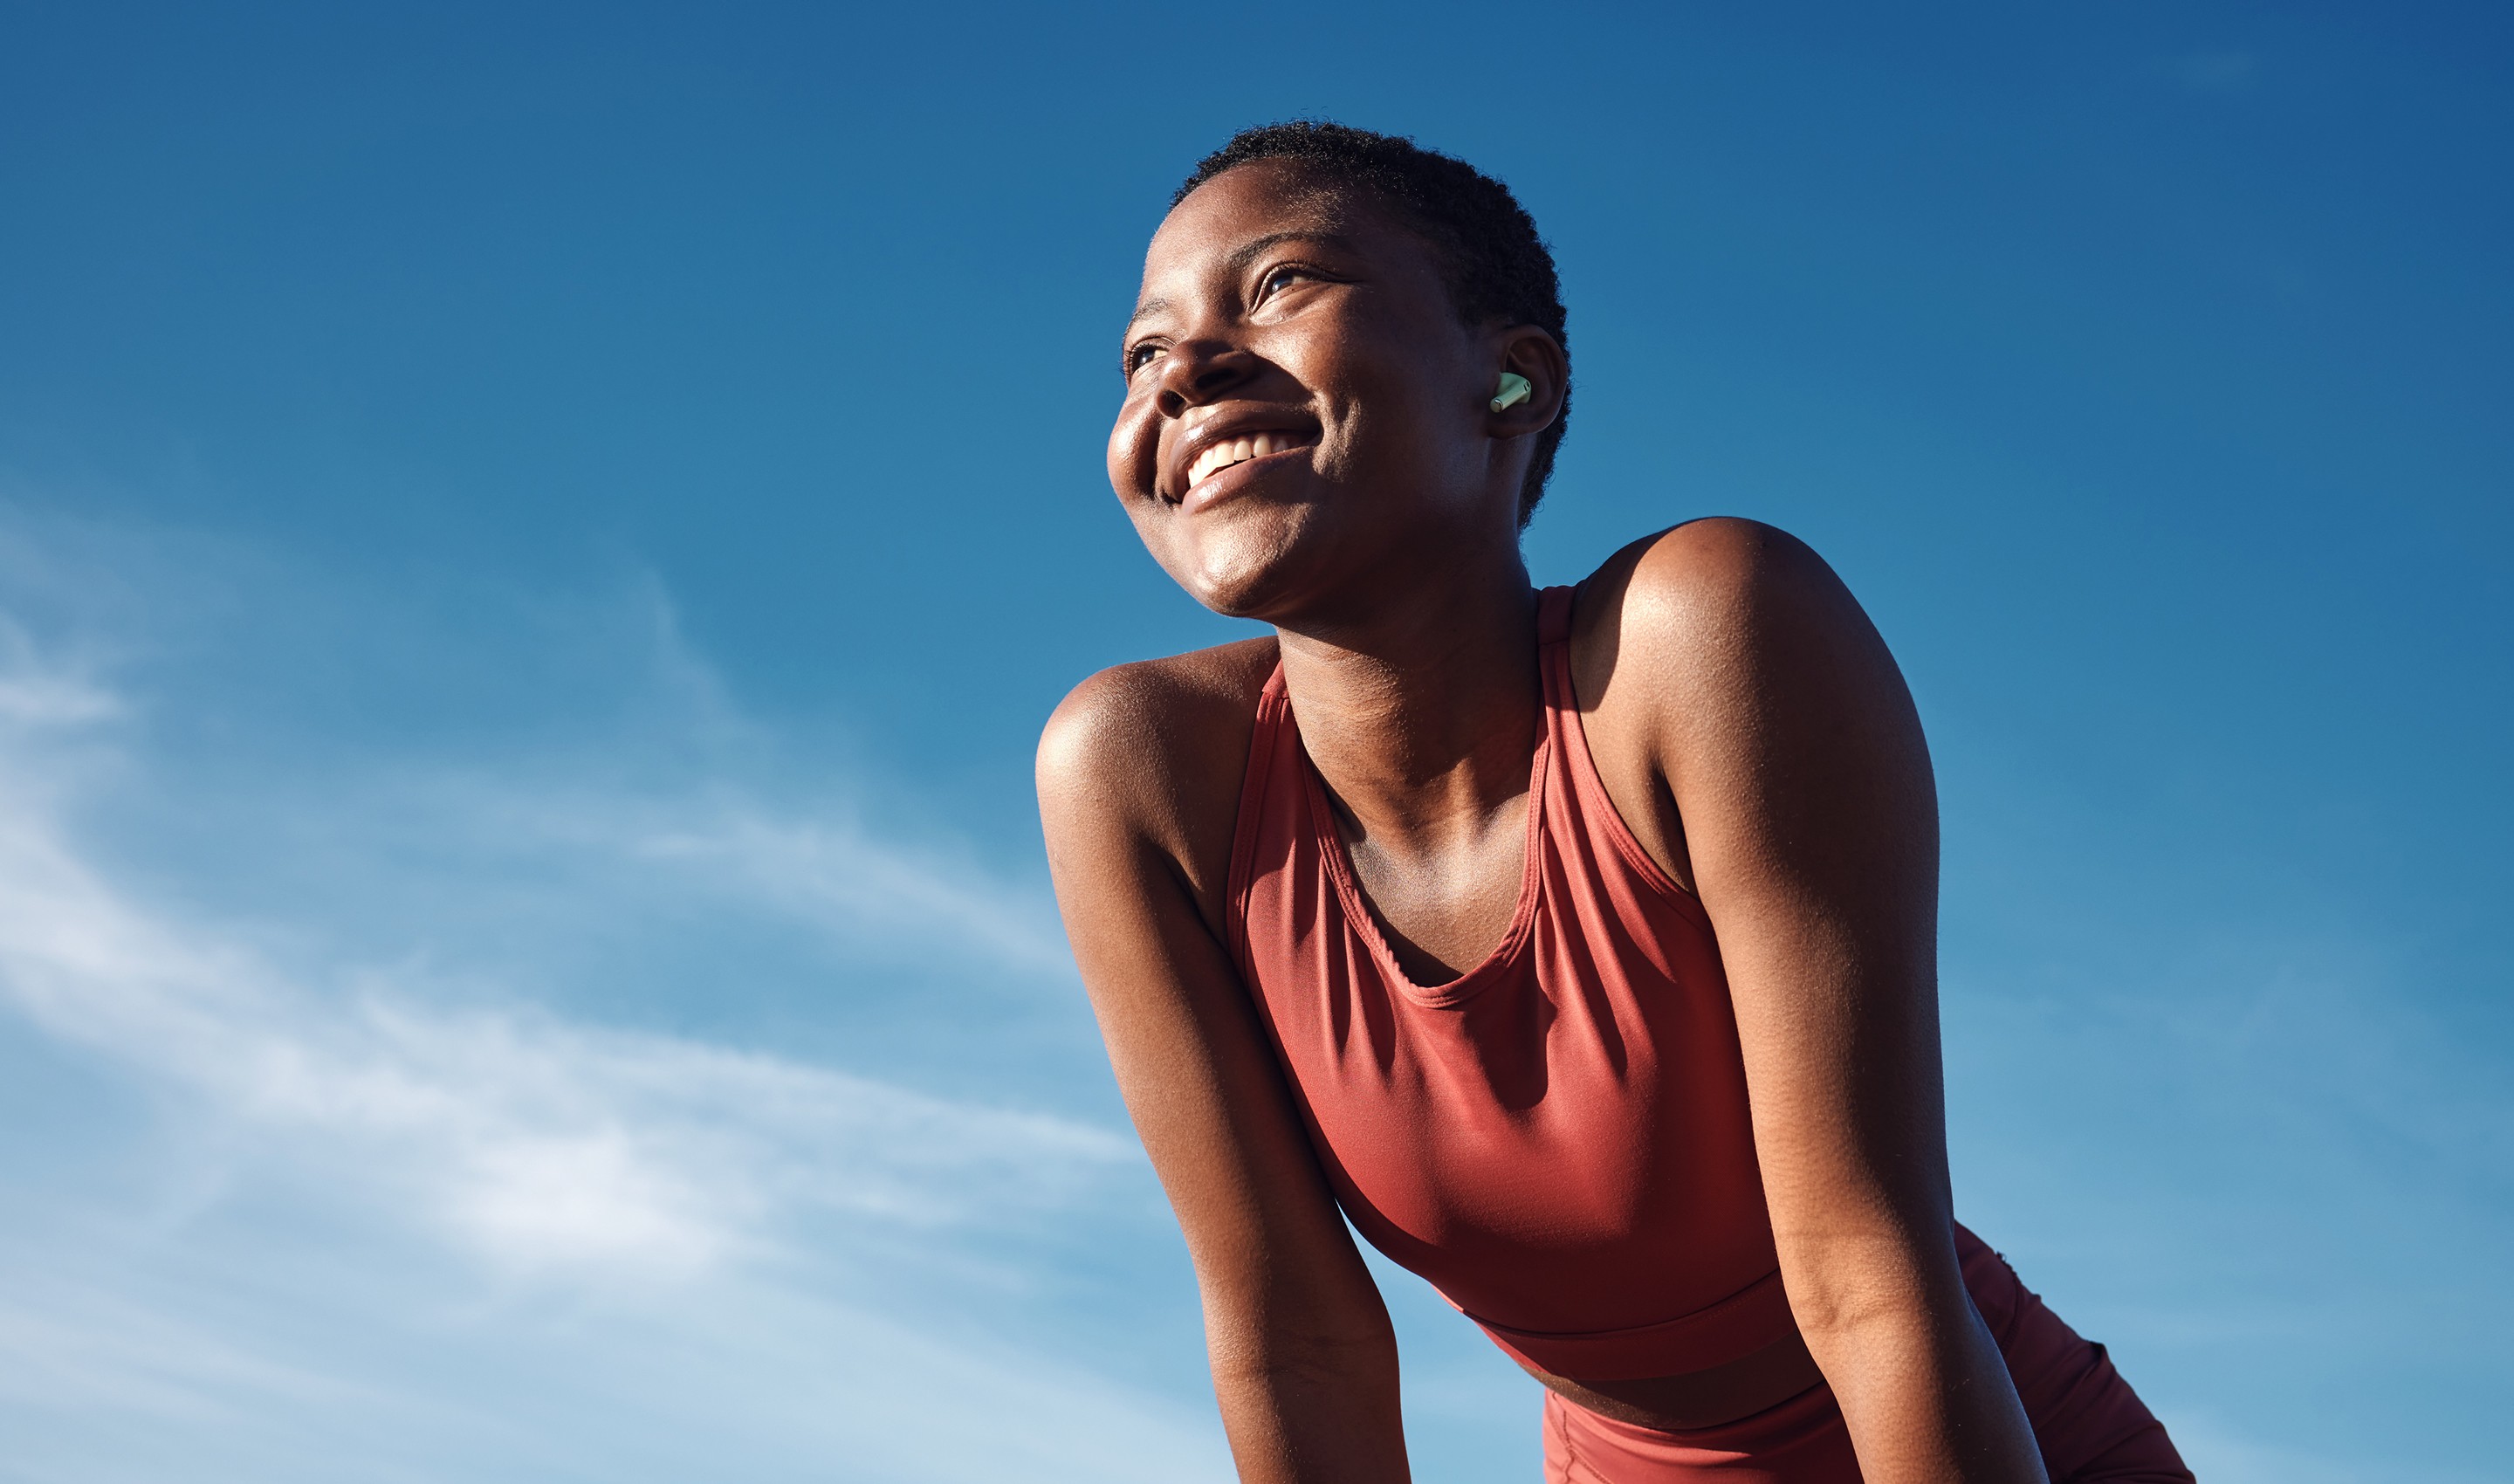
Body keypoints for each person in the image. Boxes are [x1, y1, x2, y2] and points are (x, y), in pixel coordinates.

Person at [1035, 121, 2193, 1484]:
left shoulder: (1701, 639)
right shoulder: (1141, 777)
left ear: (1513, 381)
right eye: (1143, 354)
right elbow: (1297, 1345)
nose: (1184, 371)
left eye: (1280, 283)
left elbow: (1867, 1279)